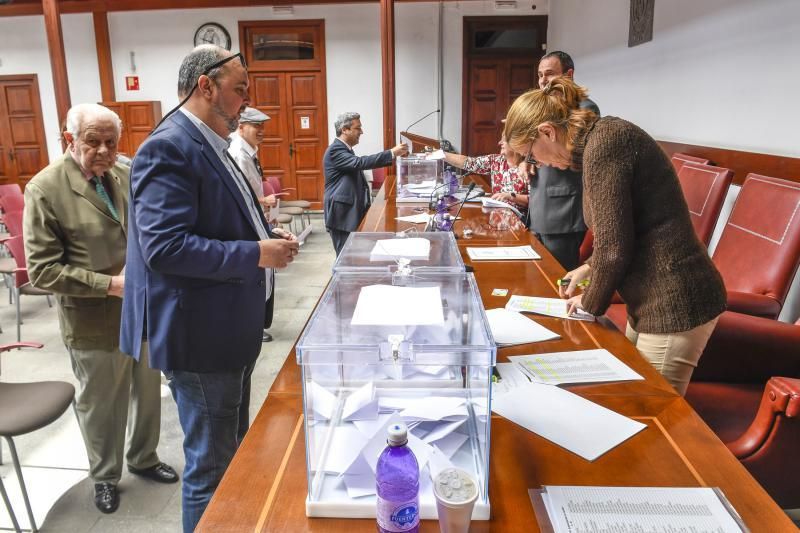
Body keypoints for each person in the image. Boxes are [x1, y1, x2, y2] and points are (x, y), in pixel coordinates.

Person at [119, 45, 299, 532]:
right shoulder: (169, 144)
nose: (245, 100)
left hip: (227, 325)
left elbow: (223, 219)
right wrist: (257, 254)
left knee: (230, 452)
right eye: (239, 88)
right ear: (206, 86)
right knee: (210, 467)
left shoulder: (208, 141)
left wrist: (265, 236)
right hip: (199, 337)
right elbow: (166, 248)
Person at [503, 77, 726, 396]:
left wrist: (589, 302)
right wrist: (587, 268)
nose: (537, 163)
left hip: (675, 300)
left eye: (532, 154)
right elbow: (624, 229)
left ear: (548, 132)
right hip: (649, 298)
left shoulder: (606, 142)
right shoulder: (596, 146)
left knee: (653, 415)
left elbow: (614, 249)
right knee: (628, 394)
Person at [23, 103, 177, 515]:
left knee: (148, 392)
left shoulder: (124, 175)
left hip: (141, 311)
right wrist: (109, 284)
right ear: (69, 139)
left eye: (112, 142)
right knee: (102, 403)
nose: (105, 150)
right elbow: (41, 271)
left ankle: (143, 457)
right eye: (93, 141)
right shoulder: (45, 189)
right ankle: (105, 476)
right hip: (92, 317)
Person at [529, 50, 600, 271]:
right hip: (538, 207)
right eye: (540, 75)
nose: (543, 81)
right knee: (536, 276)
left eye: (549, 74)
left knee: (557, 279)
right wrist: (527, 160)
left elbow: (573, 156)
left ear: (568, 75)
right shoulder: (543, 108)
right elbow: (534, 146)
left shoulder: (585, 108)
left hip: (563, 212)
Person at [228, 106, 281, 343]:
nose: (261, 131)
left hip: (258, 215)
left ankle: (257, 324)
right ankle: (252, 326)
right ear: (241, 126)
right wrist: (262, 200)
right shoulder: (238, 152)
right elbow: (237, 193)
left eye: (263, 126)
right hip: (247, 220)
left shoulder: (250, 150)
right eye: (256, 126)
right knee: (255, 273)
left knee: (264, 274)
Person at [323, 112, 408, 255]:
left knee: (352, 255)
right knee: (344, 257)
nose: (361, 132)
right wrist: (391, 153)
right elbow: (359, 163)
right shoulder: (335, 150)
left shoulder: (345, 149)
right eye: (358, 128)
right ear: (345, 129)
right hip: (342, 214)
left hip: (349, 211)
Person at [443, 138, 530, 211]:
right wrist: (439, 154)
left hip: (519, 222)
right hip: (497, 216)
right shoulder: (496, 161)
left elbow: (535, 200)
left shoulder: (529, 166)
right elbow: (468, 162)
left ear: (516, 143)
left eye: (504, 139)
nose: (500, 142)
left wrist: (510, 196)